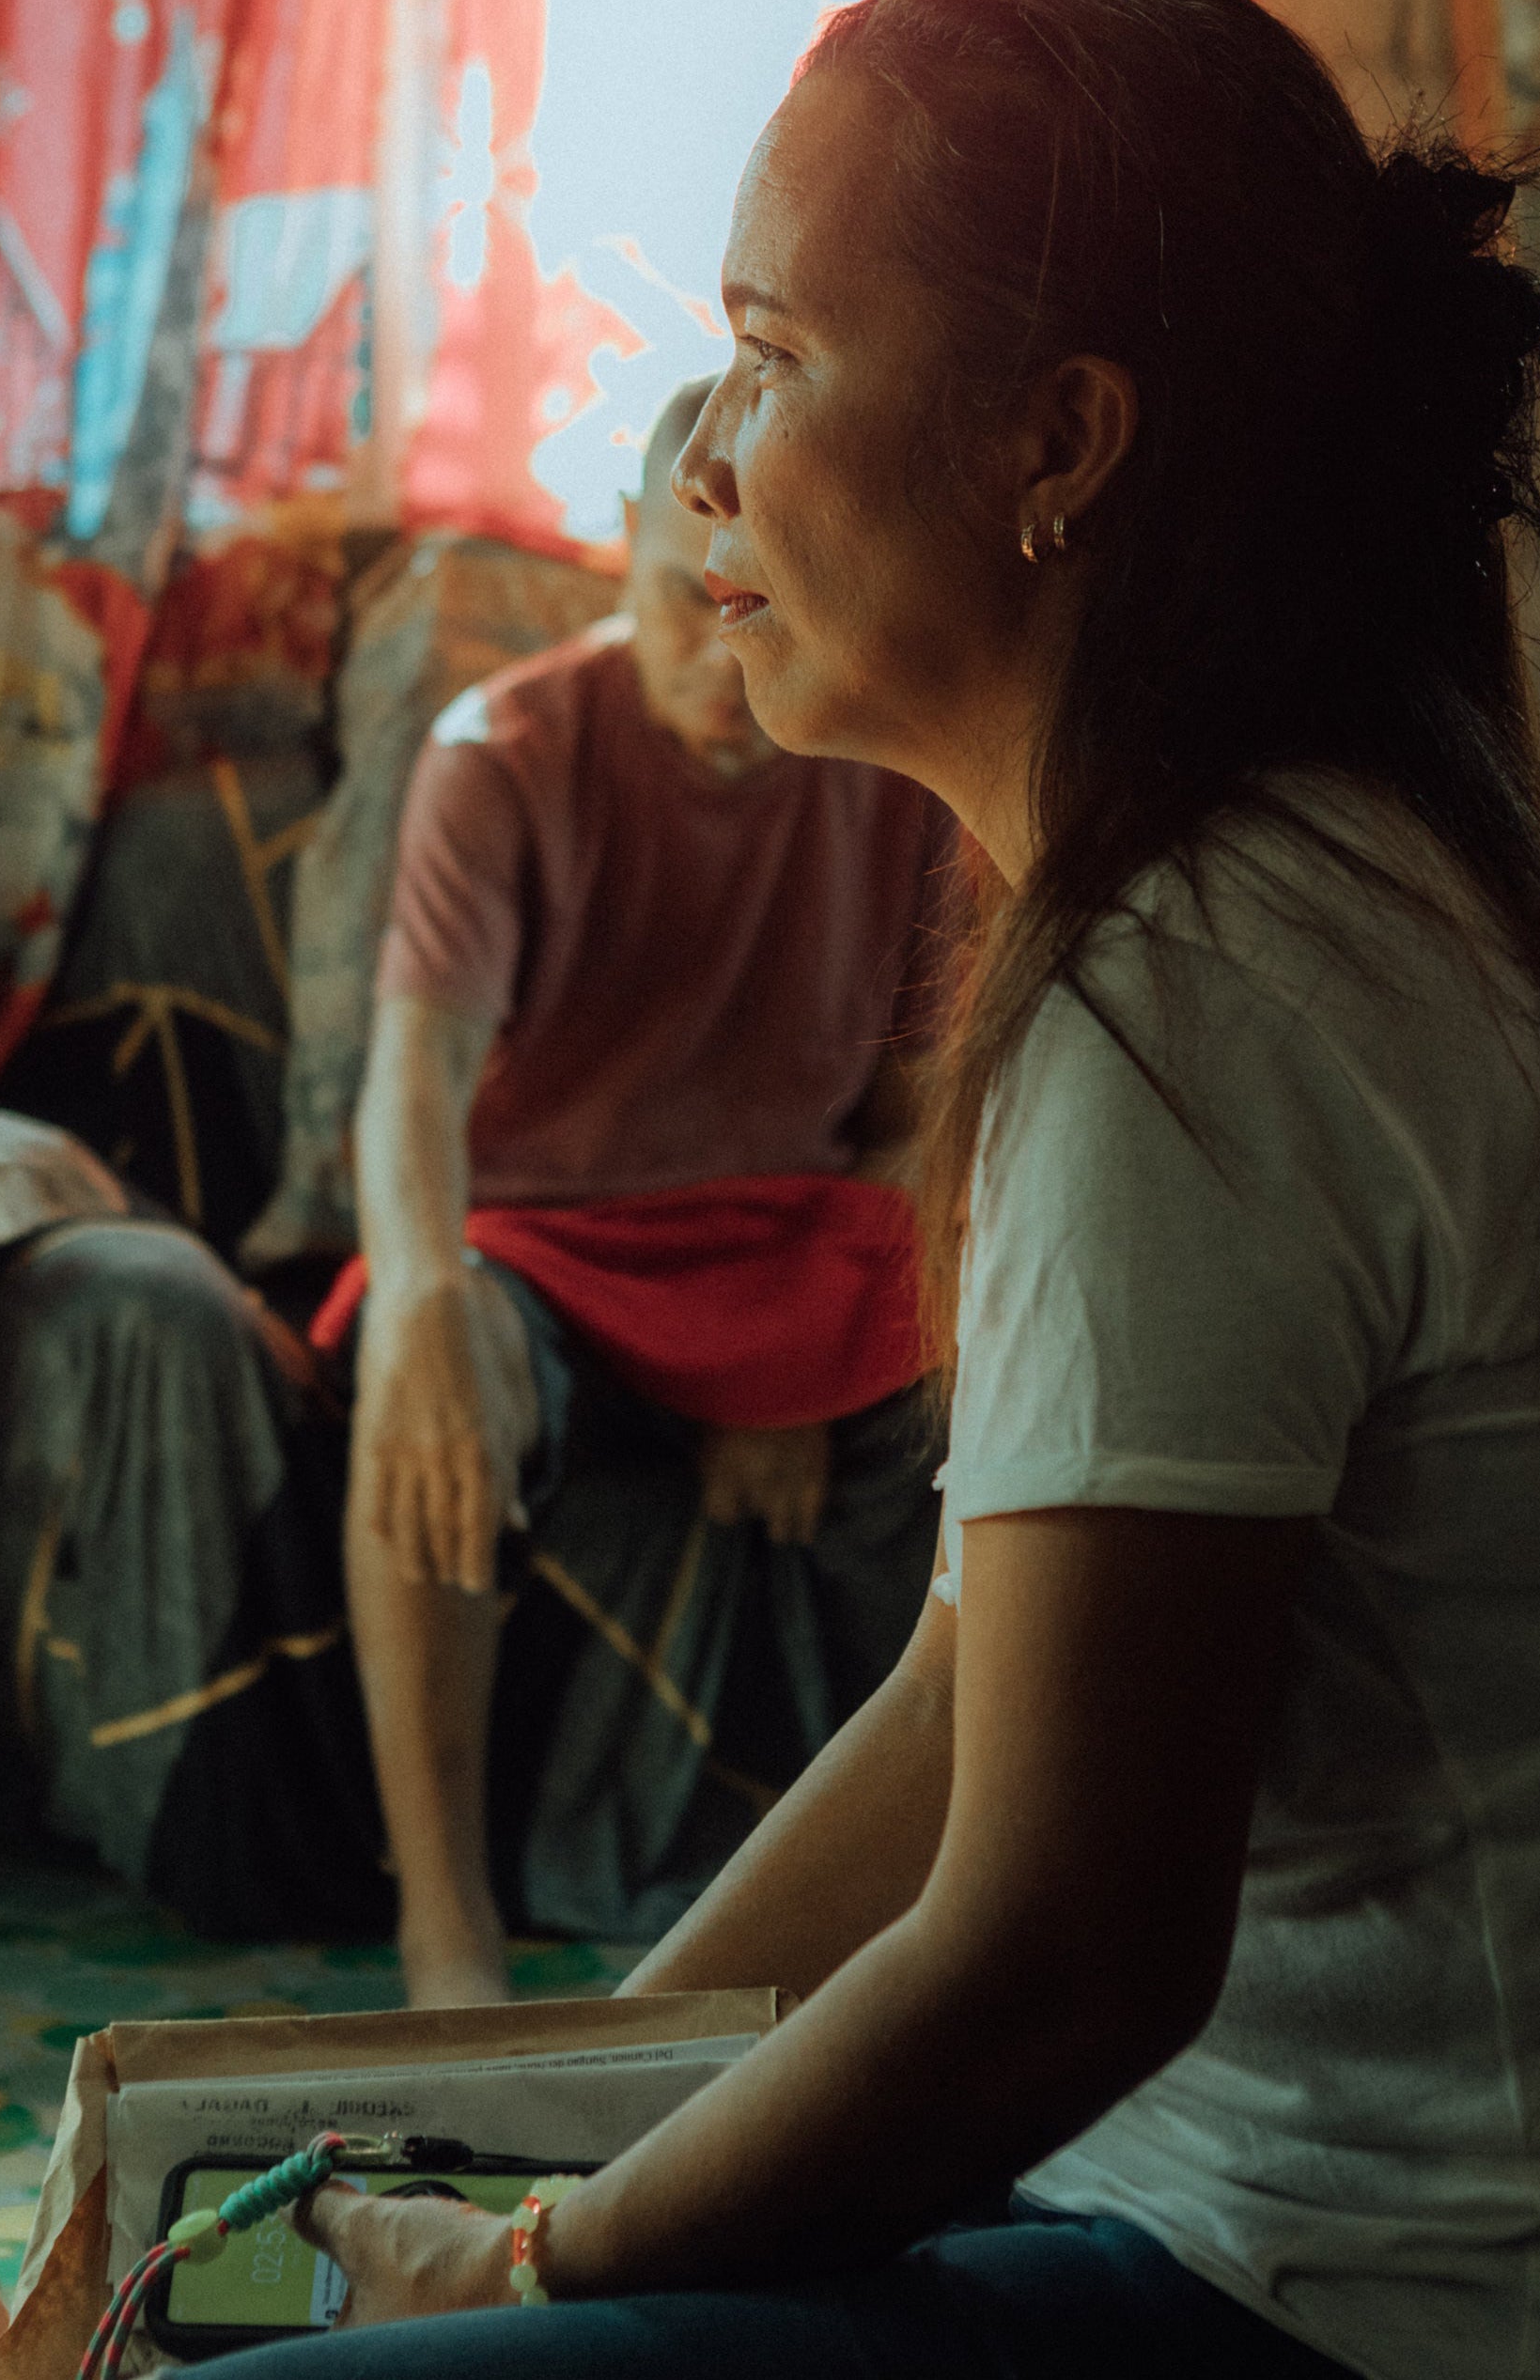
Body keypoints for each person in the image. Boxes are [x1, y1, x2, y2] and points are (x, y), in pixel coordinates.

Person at [213, 0, 1540, 2380]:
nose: (707, 454)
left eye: (781, 360)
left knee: (259, 2351)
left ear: (1058, 445)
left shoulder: (1200, 995)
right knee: (300, 2266)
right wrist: (528, 2113)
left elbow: (1066, 1960)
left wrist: (530, 2253)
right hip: (1292, 2236)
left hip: (1450, 2323)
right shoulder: (1259, 889)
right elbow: (956, 1716)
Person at [319, 377, 951, 2012]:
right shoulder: (503, 755)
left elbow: (905, 1129)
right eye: (689, 602)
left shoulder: (889, 770)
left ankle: (921, 1900)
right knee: (434, 1384)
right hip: (536, 1234)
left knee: (980, 1363)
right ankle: (443, 1922)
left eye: (764, 612)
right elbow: (415, 1088)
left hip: (784, 1239)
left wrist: (807, 1356)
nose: (723, 662)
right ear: (620, 553)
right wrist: (423, 1301)